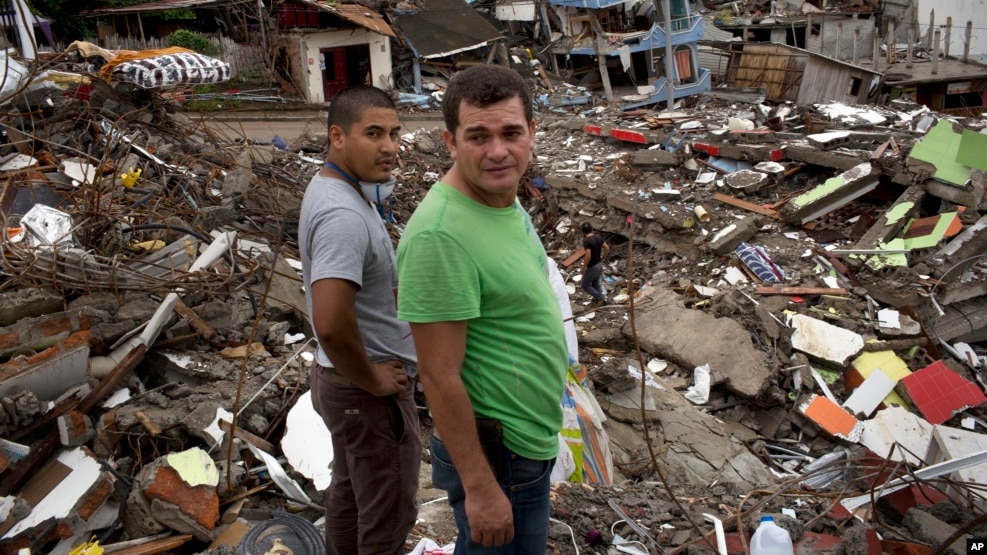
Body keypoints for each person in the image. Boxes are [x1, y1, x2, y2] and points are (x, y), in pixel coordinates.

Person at [396, 64, 569, 554]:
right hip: (497, 457)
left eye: (511, 133)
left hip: (523, 447)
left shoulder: (501, 201)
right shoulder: (440, 235)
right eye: (478, 136)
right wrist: (480, 488)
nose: (498, 151)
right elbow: (438, 374)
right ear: (450, 142)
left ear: (532, 133)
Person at [298, 86, 421, 555]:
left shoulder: (340, 189)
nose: (389, 146)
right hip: (364, 393)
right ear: (337, 137)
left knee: (350, 501)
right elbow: (329, 319)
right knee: (388, 516)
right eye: (373, 133)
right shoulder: (341, 213)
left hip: (343, 382)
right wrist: (370, 378)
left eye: (393, 133)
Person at [580, 222, 610, 306]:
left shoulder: (587, 241)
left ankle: (599, 297)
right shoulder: (598, 237)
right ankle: (599, 301)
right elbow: (607, 248)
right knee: (595, 283)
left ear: (583, 231)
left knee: (585, 285)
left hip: (592, 266)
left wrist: (583, 267)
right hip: (599, 265)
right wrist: (603, 257)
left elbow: (588, 256)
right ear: (592, 229)